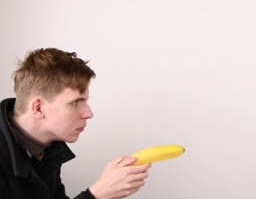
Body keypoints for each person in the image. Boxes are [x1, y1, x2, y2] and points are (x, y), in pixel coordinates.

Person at [0, 48, 151, 198]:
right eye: (75, 102)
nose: (88, 113)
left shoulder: (47, 148)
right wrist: (96, 195)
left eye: (85, 101)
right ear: (38, 108)